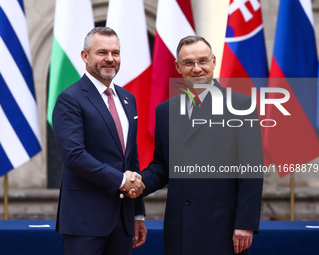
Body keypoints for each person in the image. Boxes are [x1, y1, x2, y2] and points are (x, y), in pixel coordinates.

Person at [141, 35, 264, 254]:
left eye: (203, 61)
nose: (197, 68)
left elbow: (251, 169)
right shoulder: (165, 111)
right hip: (179, 229)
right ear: (178, 67)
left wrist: (245, 223)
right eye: (189, 63)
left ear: (214, 62)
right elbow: (161, 166)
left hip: (222, 230)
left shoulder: (241, 105)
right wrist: (135, 183)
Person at [52, 27, 147, 255]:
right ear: (85, 56)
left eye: (115, 53)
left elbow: (130, 158)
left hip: (123, 222)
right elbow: (74, 156)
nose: (110, 59)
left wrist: (137, 213)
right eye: (102, 52)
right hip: (85, 222)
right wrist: (121, 181)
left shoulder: (127, 99)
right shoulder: (70, 99)